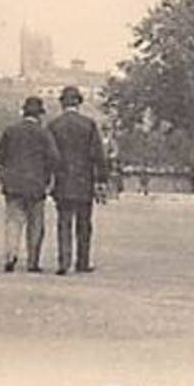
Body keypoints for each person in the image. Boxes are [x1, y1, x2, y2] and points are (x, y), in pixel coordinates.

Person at [0, 97, 60, 272]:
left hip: (14, 184)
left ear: (23, 112)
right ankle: (33, 261)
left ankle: (11, 255)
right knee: (35, 224)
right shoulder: (44, 133)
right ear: (40, 115)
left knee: (13, 221)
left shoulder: (10, 131)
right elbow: (54, 158)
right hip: (36, 185)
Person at [46, 85, 108, 275]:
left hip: (63, 180)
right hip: (84, 181)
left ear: (62, 103)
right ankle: (82, 261)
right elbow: (98, 154)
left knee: (64, 222)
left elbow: (49, 155)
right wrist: (101, 180)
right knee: (84, 223)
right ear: (79, 103)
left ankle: (64, 262)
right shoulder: (89, 124)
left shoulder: (53, 125)